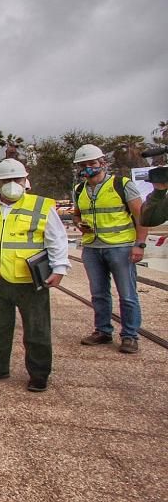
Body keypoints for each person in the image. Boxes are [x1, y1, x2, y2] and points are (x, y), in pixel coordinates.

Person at [0, 159, 70, 392]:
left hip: (30, 280)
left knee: (36, 328)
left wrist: (59, 268)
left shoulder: (41, 206)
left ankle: (39, 373)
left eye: (17, 179)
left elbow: (57, 239)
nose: (12, 184)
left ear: (25, 180)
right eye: (6, 180)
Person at [71, 144, 148, 354]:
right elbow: (77, 214)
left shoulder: (121, 184)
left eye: (92, 163)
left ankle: (130, 335)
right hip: (92, 248)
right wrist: (79, 223)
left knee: (127, 294)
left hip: (120, 247)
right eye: (83, 164)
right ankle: (103, 331)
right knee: (98, 293)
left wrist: (139, 244)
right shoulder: (80, 190)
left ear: (102, 162)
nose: (88, 167)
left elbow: (141, 216)